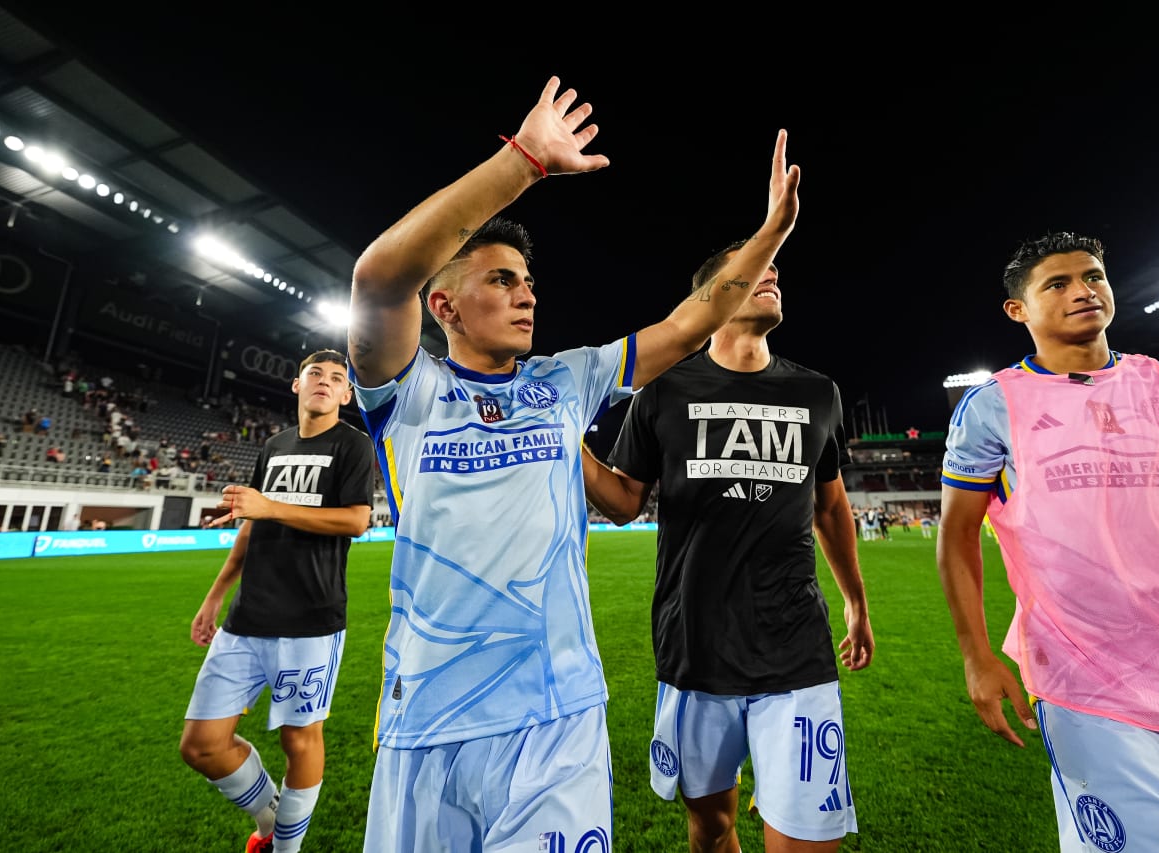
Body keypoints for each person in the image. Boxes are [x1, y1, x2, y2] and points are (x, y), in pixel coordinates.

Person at [345, 76, 800, 852]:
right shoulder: (407, 393)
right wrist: (523, 161)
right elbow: (380, 278)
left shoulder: (565, 381)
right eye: (501, 280)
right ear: (444, 307)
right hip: (426, 717)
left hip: (557, 715)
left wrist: (770, 236)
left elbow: (689, 323)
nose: (526, 296)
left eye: (528, 282)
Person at [936, 231, 1159, 852]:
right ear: (1018, 310)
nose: (1083, 291)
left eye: (1093, 277)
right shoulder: (992, 407)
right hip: (1085, 681)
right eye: (1056, 284)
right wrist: (977, 657)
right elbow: (956, 538)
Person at [580, 241, 874, 851]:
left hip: (796, 648)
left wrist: (856, 602)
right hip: (695, 648)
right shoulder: (662, 389)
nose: (770, 276)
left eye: (775, 271)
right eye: (753, 270)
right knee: (711, 828)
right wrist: (563, 434)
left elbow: (831, 505)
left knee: (806, 836)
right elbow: (624, 500)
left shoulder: (818, 392)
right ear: (711, 295)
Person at [179, 349, 375, 853]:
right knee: (201, 745)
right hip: (247, 619)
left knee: (299, 740)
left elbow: (356, 520)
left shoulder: (353, 445)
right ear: (296, 384)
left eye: (337, 378)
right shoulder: (274, 445)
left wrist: (270, 506)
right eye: (316, 374)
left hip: (310, 620)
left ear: (347, 394)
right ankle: (272, 816)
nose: (325, 383)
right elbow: (252, 522)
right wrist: (215, 595)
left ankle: (285, 848)